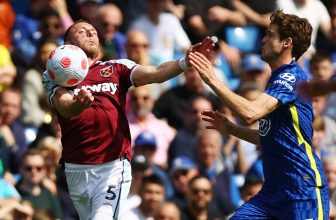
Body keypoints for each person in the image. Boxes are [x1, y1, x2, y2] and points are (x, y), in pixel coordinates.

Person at [42, 20, 215, 220]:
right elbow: (65, 106)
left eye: (93, 31)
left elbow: (156, 73)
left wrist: (184, 62)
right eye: (82, 31)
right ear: (68, 43)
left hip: (112, 166)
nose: (91, 34)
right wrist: (79, 104)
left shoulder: (116, 68)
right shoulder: (55, 73)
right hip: (76, 168)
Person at [189, 9, 330, 219]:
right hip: (272, 194)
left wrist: (212, 78)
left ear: (286, 42)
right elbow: (271, 138)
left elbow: (250, 112)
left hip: (303, 192)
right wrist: (230, 129)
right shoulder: (276, 80)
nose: (263, 40)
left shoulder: (292, 77)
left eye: (270, 34)